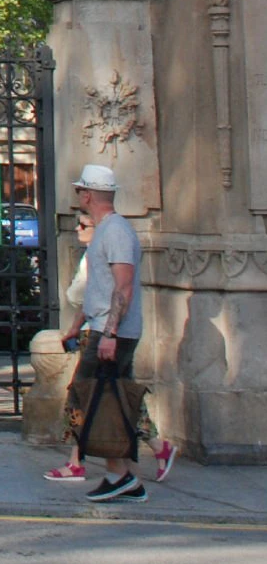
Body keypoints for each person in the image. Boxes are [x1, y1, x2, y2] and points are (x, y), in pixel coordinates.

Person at [44, 207, 175, 486]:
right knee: (119, 396)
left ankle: (84, 464)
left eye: (83, 224)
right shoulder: (94, 255)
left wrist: (108, 334)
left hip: (105, 332)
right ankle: (155, 447)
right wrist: (77, 327)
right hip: (97, 328)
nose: (77, 229)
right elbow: (93, 299)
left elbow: (115, 293)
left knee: (85, 394)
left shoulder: (104, 251)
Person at [59, 163, 161, 502]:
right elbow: (102, 290)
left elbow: (124, 286)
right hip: (106, 328)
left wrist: (110, 334)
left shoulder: (115, 231)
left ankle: (120, 476)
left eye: (79, 192)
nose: (78, 198)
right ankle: (122, 476)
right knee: (106, 401)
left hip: (111, 332)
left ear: (87, 194)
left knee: (90, 401)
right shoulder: (106, 230)